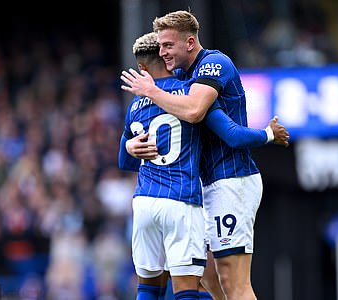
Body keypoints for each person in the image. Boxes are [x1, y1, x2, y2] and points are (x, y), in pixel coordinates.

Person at [121, 10, 289, 300]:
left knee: (231, 279)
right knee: (206, 276)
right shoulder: (182, 78)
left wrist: (267, 134)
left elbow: (205, 117)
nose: (162, 53)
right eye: (160, 47)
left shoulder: (213, 64)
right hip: (201, 188)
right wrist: (128, 146)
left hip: (230, 180)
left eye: (168, 46)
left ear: (189, 42)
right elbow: (127, 152)